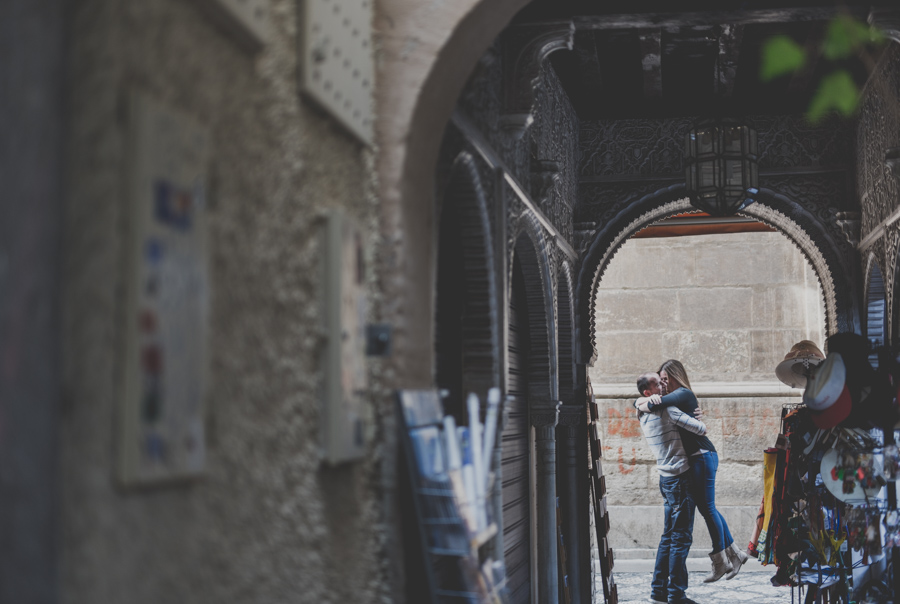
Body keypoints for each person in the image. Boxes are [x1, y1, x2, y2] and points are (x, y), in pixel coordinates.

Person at [636, 359, 749, 583]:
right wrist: (641, 401)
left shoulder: (683, 394)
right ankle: (734, 555)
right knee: (708, 508)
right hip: (697, 458)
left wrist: (641, 402)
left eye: (666, 379)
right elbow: (651, 402)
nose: (664, 384)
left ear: (677, 377)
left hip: (702, 456)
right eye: (661, 381)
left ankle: (722, 562)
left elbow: (654, 404)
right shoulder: (673, 401)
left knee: (707, 508)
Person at [634, 371, 708, 604]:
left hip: (666, 479)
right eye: (657, 383)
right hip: (680, 479)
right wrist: (699, 416)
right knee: (681, 538)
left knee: (668, 537)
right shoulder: (667, 409)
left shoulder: (641, 411)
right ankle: (676, 594)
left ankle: (658, 591)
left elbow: (638, 403)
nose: (663, 386)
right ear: (648, 392)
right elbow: (701, 429)